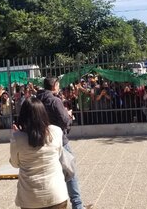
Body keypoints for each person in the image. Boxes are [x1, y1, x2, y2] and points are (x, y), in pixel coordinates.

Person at [37, 77, 93, 209]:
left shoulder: (36, 100)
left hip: (41, 140)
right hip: (60, 141)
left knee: (48, 172)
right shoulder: (54, 100)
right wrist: (68, 117)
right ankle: (77, 205)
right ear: (55, 85)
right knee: (70, 171)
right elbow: (64, 120)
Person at [10, 97, 69, 209]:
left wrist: (16, 136)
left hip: (30, 197)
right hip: (56, 194)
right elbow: (59, 154)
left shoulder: (17, 138)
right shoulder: (56, 131)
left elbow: (15, 163)